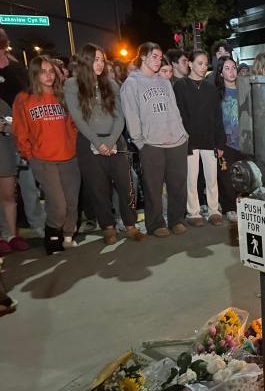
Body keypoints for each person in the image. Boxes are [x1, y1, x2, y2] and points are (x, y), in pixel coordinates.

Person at [64, 43, 146, 245]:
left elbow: (120, 118)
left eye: (102, 59)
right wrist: (97, 143)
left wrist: (109, 142)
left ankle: (130, 225)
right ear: (85, 61)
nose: (99, 64)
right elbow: (78, 119)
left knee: (127, 186)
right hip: (88, 142)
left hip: (115, 140)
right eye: (95, 59)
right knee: (98, 189)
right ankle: (108, 227)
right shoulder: (72, 85)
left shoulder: (112, 84)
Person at [13, 55, 80, 254]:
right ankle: (52, 238)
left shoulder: (63, 95)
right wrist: (29, 154)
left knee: (72, 201)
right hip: (42, 159)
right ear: (34, 74)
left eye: (51, 71)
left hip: (69, 156)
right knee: (57, 204)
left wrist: (74, 147)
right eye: (43, 71)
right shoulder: (24, 99)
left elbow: (73, 125)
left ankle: (68, 235)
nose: (49, 75)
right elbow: (20, 130)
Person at [121, 42, 189, 237]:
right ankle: (155, 223)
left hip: (176, 140)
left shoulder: (164, 81)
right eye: (154, 57)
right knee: (153, 186)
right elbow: (131, 115)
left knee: (177, 184)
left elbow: (174, 109)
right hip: (151, 143)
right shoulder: (132, 83)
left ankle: (177, 219)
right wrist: (140, 142)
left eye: (160, 57)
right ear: (143, 57)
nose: (158, 61)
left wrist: (182, 133)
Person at [0, 28, 46, 239]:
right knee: (5, 190)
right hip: (2, 136)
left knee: (29, 184)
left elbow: (29, 96)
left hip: (22, 133)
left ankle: (39, 225)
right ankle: (7, 233)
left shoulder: (17, 68)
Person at [174, 50, 225, 227]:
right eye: (200, 63)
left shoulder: (211, 88)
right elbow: (179, 114)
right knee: (191, 178)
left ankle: (214, 210)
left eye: (205, 64)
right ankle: (193, 212)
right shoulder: (180, 85)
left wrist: (220, 142)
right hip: (189, 139)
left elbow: (217, 116)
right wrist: (183, 139)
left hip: (209, 139)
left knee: (212, 177)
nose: (203, 67)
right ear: (190, 64)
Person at [214, 56, 241, 222]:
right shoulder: (217, 94)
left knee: (243, 176)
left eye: (233, 67)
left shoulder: (244, 90)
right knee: (226, 176)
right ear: (221, 73)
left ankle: (243, 205)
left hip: (244, 141)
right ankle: (229, 208)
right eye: (227, 68)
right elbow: (213, 120)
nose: (231, 71)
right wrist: (217, 142)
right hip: (225, 142)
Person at [0, 99, 29, 253]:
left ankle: (11, 236)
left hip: (5, 155)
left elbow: (17, 127)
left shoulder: (3, 104)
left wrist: (5, 126)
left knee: (9, 196)